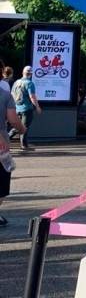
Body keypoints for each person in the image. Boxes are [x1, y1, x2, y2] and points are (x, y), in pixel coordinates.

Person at [0, 86, 25, 226]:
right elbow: (13, 120)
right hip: (1, 145)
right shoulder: (5, 95)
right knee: (2, 182)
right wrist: (22, 129)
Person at [10, 66, 42, 151]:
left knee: (19, 127)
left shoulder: (16, 82)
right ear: (31, 74)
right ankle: (23, 146)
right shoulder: (29, 83)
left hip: (17, 108)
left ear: (22, 73)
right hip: (26, 109)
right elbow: (32, 97)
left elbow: (12, 94)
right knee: (24, 127)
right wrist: (37, 107)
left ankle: (22, 144)